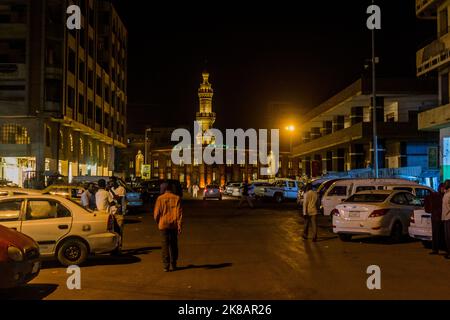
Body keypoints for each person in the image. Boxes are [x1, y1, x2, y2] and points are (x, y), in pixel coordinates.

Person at [154, 181, 183, 272]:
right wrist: (179, 225)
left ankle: (166, 265)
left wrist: (158, 221)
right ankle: (173, 263)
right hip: (173, 224)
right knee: (173, 244)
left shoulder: (160, 198)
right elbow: (179, 214)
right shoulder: (177, 198)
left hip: (163, 224)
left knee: (165, 244)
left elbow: (156, 214)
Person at [424, 183, 446, 255]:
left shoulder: (439, 195)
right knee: (436, 234)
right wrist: (429, 210)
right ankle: (435, 249)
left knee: (439, 234)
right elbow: (427, 199)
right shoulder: (437, 196)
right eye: (442, 188)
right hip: (437, 217)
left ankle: (437, 249)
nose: (443, 190)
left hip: (439, 217)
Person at [442, 180, 450, 259]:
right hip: (445, 217)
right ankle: (448, 252)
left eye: (446, 184)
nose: (444, 185)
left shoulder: (449, 194)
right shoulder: (446, 193)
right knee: (447, 237)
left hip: (449, 218)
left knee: (449, 237)